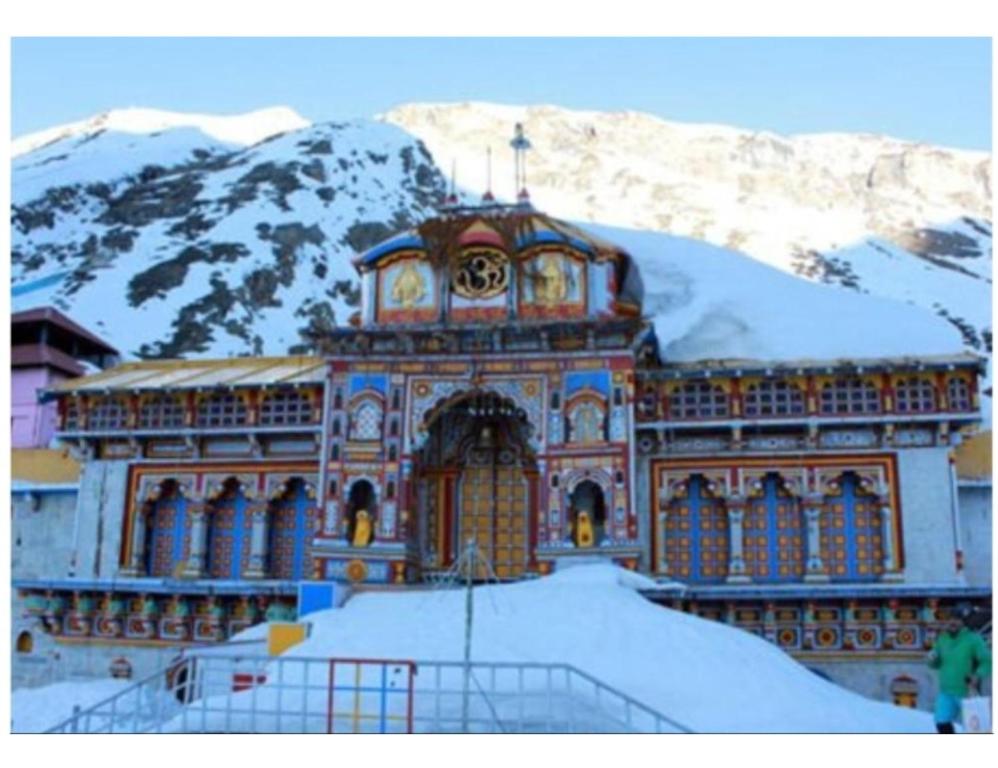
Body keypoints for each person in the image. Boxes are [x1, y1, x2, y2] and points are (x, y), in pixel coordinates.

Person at [927, 604, 991, 733]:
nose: (953, 622)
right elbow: (935, 663)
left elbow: (987, 661)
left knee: (973, 728)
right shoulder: (942, 639)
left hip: (967, 692)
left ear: (963, 622)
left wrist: (977, 675)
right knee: (941, 722)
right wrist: (932, 659)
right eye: (950, 619)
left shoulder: (973, 639)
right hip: (946, 691)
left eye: (957, 619)